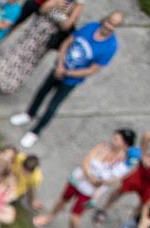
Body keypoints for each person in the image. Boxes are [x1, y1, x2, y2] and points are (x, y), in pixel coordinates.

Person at [10, 11, 124, 149]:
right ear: (105, 19)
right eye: (109, 21)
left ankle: (35, 132)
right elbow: (67, 42)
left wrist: (68, 72)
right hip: (59, 67)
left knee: (53, 105)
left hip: (71, 80)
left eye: (114, 25)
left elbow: (93, 69)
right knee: (42, 92)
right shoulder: (91, 27)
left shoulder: (110, 47)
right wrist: (60, 64)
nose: (109, 26)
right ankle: (29, 114)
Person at [31, 128, 136, 228]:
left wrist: (99, 181)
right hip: (78, 179)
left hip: (89, 192)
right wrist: (90, 176)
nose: (113, 139)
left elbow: (115, 179)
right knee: (63, 200)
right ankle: (50, 216)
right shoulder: (103, 146)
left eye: (117, 138)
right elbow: (86, 160)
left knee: (75, 216)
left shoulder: (123, 162)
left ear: (125, 144)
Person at [0, 0, 84, 94]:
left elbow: (67, 26)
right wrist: (62, 15)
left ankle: (9, 84)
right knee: (18, 51)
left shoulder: (77, 4)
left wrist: (55, 11)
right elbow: (43, 8)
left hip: (48, 38)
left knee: (30, 61)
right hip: (37, 29)